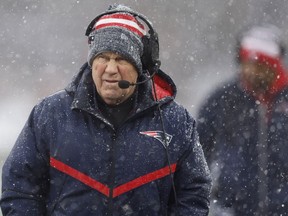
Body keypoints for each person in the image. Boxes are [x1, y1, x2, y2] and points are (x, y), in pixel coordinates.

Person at [0, 4, 212, 216]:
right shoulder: (49, 115)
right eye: (103, 57)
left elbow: (194, 194)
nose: (111, 69)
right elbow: (19, 188)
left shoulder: (176, 121)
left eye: (121, 59)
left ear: (140, 66)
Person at [197, 24, 288, 215]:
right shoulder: (222, 99)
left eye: (261, 65)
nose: (253, 71)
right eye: (249, 63)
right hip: (231, 209)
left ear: (276, 65)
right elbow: (197, 155)